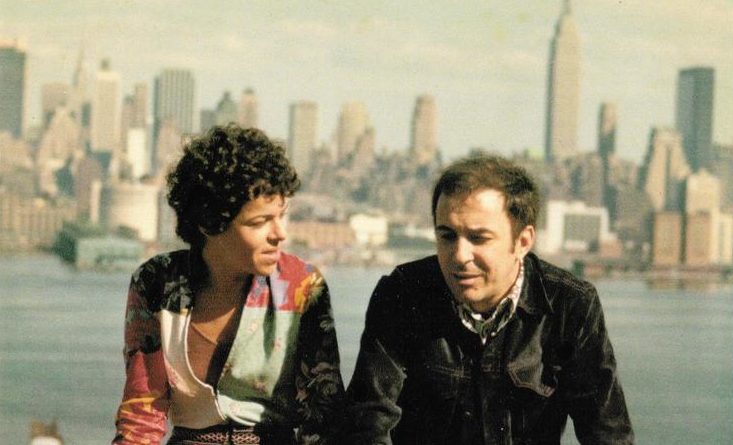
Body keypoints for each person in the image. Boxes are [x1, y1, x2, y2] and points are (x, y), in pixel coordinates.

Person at [342, 155, 633, 444]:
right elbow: (367, 423)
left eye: (478, 238)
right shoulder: (402, 294)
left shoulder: (570, 305)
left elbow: (608, 435)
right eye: (447, 236)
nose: (459, 256)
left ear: (522, 242)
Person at [112, 124, 345, 445]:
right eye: (260, 222)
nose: (280, 234)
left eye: (281, 216)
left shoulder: (302, 287)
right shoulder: (156, 282)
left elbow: (323, 420)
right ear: (209, 222)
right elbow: (142, 415)